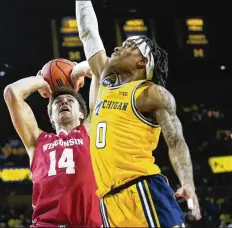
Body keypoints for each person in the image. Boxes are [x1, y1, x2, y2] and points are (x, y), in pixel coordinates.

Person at [76, 1, 201, 227]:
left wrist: (187, 182)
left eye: (128, 47)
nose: (117, 48)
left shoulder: (151, 94)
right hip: (108, 200)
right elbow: (88, 32)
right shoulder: (104, 84)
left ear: (141, 62)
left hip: (142, 188)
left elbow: (175, 141)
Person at [3, 61, 102, 227]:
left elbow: (99, 70)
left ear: (81, 114)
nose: (63, 102)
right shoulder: (37, 141)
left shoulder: (90, 131)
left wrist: (76, 71)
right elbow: (12, 92)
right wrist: (41, 81)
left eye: (70, 100)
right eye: (57, 102)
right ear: (52, 117)